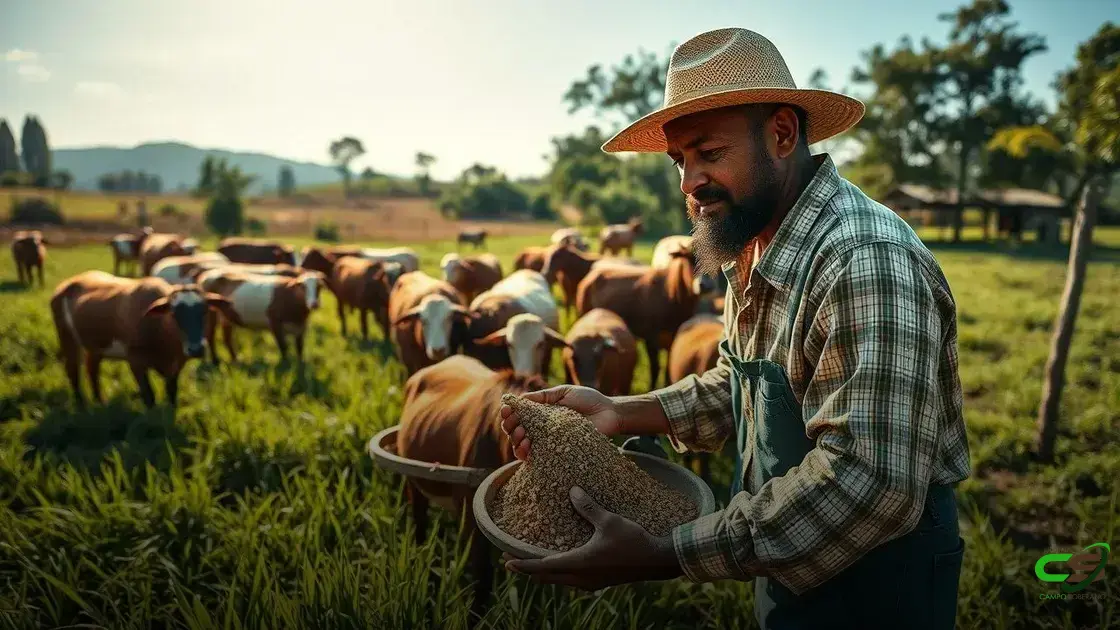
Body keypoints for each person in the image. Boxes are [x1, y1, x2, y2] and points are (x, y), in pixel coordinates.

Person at [498, 27, 971, 630]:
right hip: (788, 558)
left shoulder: (863, 261)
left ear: (780, 134)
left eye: (710, 154)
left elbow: (868, 482)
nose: (688, 184)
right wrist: (623, 411)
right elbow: (748, 382)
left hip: (878, 586)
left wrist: (667, 552)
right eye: (680, 161)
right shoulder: (753, 242)